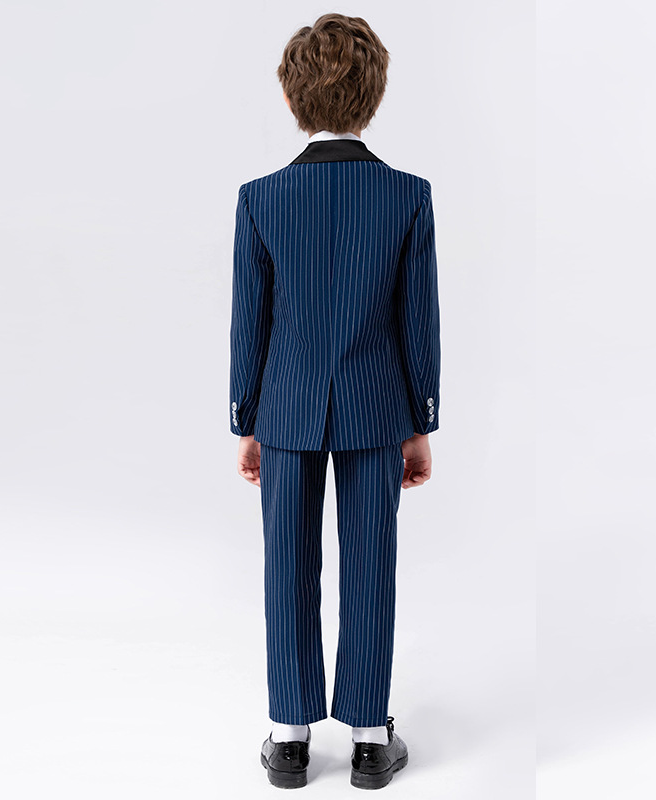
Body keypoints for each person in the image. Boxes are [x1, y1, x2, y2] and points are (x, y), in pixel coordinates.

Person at [228, 12, 441, 790]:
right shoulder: (407, 196)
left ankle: (289, 738)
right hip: (377, 408)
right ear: (374, 97)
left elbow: (250, 322)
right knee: (371, 564)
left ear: (291, 100)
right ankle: (369, 738)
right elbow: (418, 321)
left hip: (283, 410)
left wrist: (246, 419)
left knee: (285, 563)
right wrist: (420, 422)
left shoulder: (261, 198)